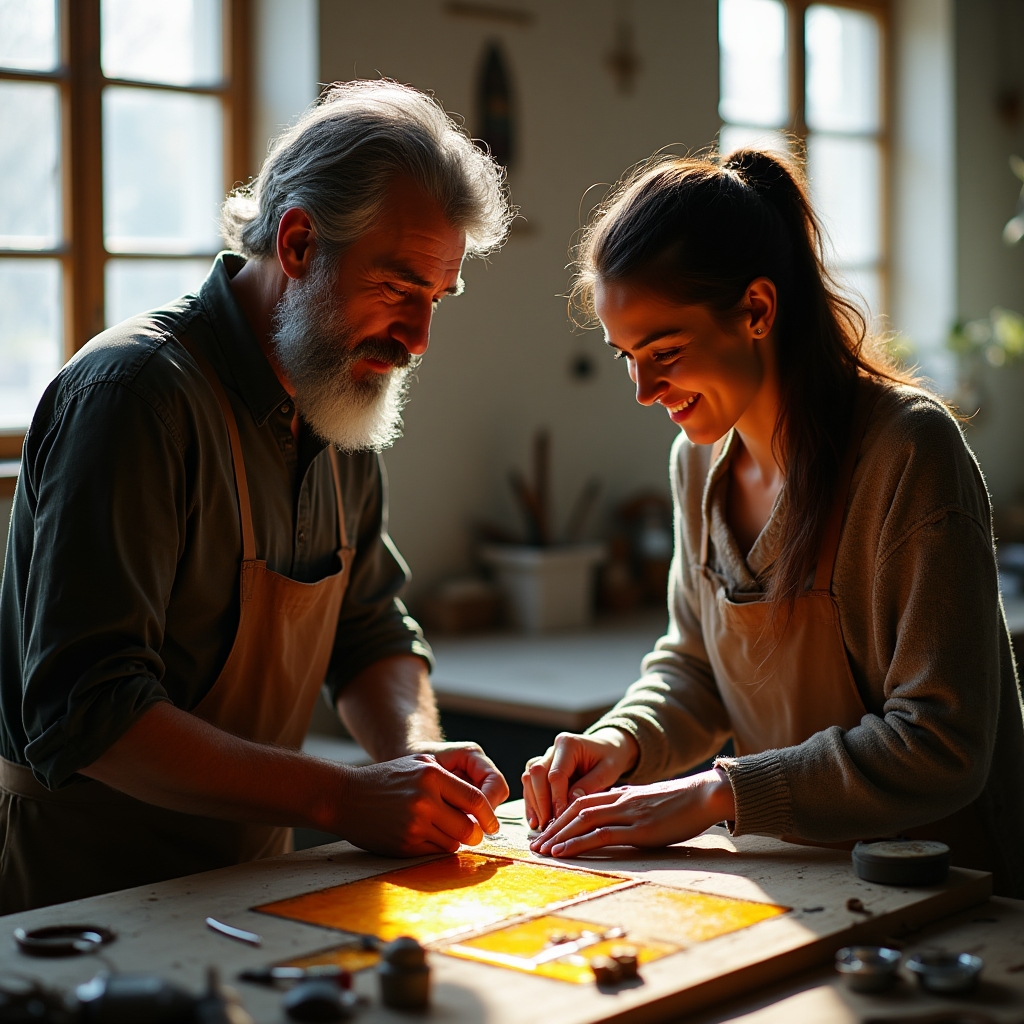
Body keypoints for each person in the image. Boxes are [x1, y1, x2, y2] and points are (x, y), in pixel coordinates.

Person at [0, 80, 514, 912]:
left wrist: (417, 759)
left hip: (247, 886)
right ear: (301, 242)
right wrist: (346, 798)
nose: (419, 339)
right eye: (398, 288)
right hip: (82, 898)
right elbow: (88, 710)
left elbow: (369, 628)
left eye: (435, 300)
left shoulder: (340, 394)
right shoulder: (135, 395)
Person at [522, 148, 1024, 898]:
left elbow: (940, 743)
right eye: (626, 355)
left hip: (946, 889)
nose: (643, 389)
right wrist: (619, 741)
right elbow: (696, 668)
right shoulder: (696, 466)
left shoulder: (908, 453)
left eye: (665, 352)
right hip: (803, 879)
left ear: (756, 309)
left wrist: (715, 794)